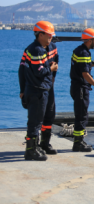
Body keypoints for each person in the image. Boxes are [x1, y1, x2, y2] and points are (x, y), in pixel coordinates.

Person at [18, 21, 58, 161]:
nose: (51, 38)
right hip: (37, 90)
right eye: (49, 35)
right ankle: (30, 150)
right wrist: (51, 69)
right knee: (34, 121)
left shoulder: (42, 48)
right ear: (40, 34)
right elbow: (39, 71)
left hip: (42, 89)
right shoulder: (36, 50)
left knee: (41, 118)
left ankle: (38, 146)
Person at [70, 28, 94, 152]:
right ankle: (78, 143)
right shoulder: (84, 53)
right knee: (82, 115)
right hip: (81, 87)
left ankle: (79, 141)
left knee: (81, 114)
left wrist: (93, 64)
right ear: (90, 40)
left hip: (76, 86)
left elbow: (81, 67)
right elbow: (85, 74)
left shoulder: (79, 50)